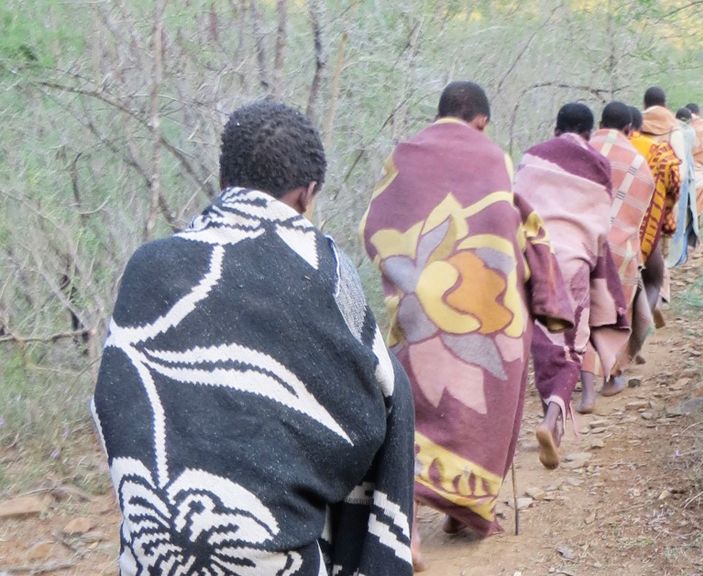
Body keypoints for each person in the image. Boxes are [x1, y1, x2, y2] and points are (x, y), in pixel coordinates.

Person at [92, 101, 415, 576]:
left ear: (225, 182)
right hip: (275, 560)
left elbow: (115, 405)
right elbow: (369, 407)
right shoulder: (323, 268)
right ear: (307, 196)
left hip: (153, 559)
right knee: (392, 386)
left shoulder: (148, 266)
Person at [361, 82, 573, 559]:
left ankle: (410, 531)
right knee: (485, 412)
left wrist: (405, 275)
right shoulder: (493, 156)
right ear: (481, 120)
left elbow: (374, 222)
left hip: (421, 297)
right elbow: (509, 221)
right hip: (491, 307)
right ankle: (467, 510)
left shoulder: (404, 154)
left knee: (416, 412)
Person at [513, 102, 628, 467]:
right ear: (590, 132)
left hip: (529, 257)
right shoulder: (599, 164)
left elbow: (514, 207)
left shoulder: (532, 158)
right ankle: (552, 419)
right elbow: (599, 222)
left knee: (536, 340)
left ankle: (546, 422)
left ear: (555, 127)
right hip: (572, 258)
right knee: (570, 344)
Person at [578, 101, 657, 412]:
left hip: (579, 243)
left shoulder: (582, 149)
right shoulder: (639, 162)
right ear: (629, 129)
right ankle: (612, 376)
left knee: (581, 312)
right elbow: (639, 217)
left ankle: (579, 383)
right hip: (618, 248)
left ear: (601, 122)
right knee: (612, 314)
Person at [630, 105, 681, 330]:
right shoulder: (660, 151)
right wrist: (666, 215)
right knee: (653, 277)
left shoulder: (597, 150)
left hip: (601, 232)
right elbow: (674, 187)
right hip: (647, 229)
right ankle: (639, 331)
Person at [666, 106, 700, 268]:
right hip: (686, 177)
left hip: (671, 176)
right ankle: (680, 255)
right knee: (684, 216)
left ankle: (671, 255)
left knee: (672, 215)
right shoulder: (690, 132)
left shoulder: (671, 130)